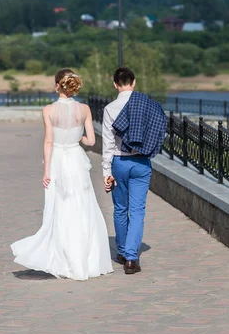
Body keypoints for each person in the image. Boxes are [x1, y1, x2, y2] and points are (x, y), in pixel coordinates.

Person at [11, 69, 114, 281]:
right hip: (76, 158)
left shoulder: (49, 110)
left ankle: (62, 258)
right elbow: (92, 141)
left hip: (58, 159)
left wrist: (46, 170)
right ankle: (87, 259)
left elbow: (49, 141)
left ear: (58, 85)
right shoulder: (84, 109)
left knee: (59, 207)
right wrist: (78, 139)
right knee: (82, 205)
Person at [102, 67, 167, 275]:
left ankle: (121, 252)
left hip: (119, 162)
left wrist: (106, 172)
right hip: (141, 163)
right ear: (134, 82)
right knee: (137, 211)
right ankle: (131, 258)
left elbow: (108, 144)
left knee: (120, 208)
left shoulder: (110, 108)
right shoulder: (148, 106)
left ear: (115, 84)